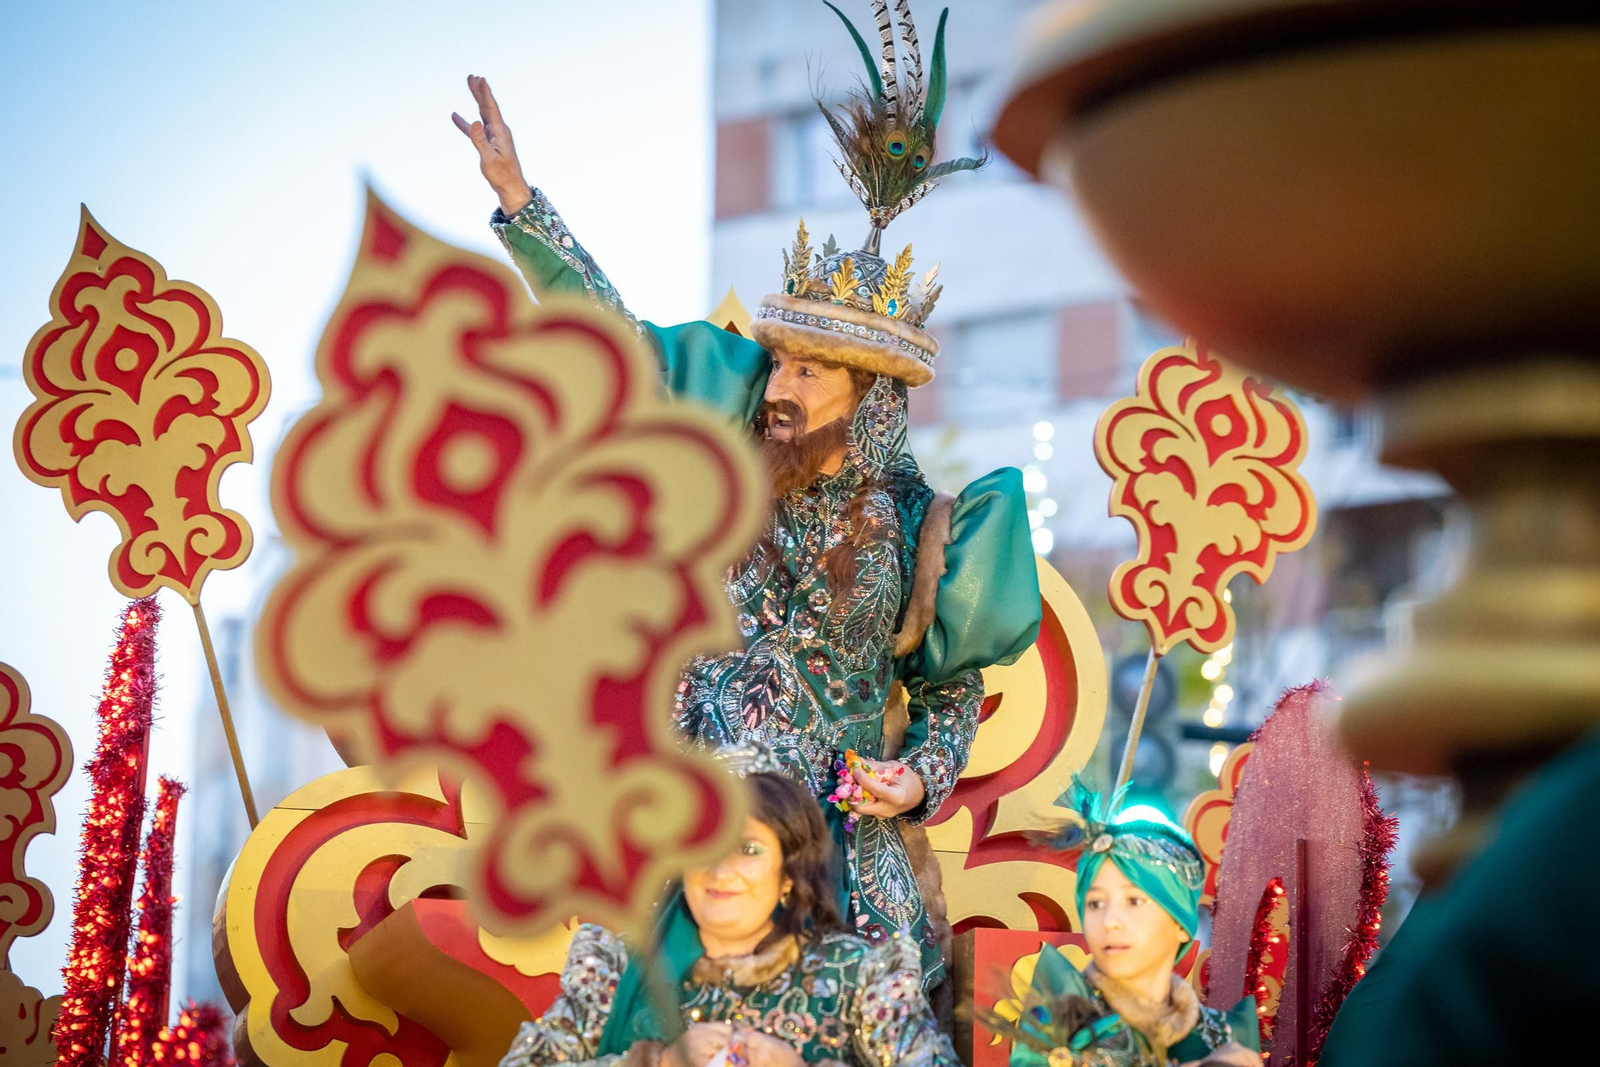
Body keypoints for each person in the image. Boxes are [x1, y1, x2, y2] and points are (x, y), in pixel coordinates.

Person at [454, 0, 1041, 989]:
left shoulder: (925, 525)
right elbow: (613, 342)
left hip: (839, 863)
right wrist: (523, 208)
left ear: (872, 401)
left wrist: (919, 774)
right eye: (777, 367)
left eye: (811, 376)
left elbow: (949, 693)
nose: (777, 388)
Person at [499, 750, 959, 1067]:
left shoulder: (858, 977)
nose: (720, 868)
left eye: (748, 850)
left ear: (788, 877)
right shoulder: (618, 971)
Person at [1019, 781, 1262, 1067]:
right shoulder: (1062, 1020)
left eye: (1134, 901)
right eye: (1095, 904)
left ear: (1181, 925)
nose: (1109, 922)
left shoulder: (1227, 1035)